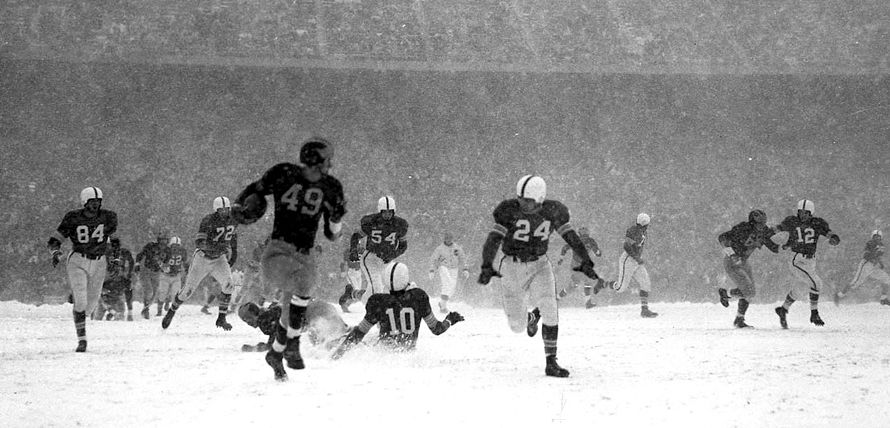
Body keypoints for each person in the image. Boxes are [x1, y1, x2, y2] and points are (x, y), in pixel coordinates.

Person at [231, 136, 347, 381]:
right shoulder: (301, 178)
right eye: (327, 160)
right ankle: (291, 344)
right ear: (316, 160)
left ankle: (277, 354)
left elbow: (332, 233)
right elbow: (256, 189)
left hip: (300, 256)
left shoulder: (309, 180)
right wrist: (239, 206)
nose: (330, 165)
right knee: (295, 301)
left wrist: (337, 217)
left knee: (291, 310)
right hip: (282, 250)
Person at [477, 175, 607, 378]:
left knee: (550, 307)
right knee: (517, 326)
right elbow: (494, 238)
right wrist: (487, 265)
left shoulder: (552, 211)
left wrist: (586, 261)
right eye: (520, 198)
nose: (522, 203)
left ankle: (551, 362)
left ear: (539, 198)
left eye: (527, 200)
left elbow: (571, 237)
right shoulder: (509, 210)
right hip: (511, 266)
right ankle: (529, 318)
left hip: (540, 264)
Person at [332, 262, 464, 359]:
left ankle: (331, 342)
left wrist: (337, 354)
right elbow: (437, 329)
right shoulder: (419, 297)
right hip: (408, 353)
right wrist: (450, 320)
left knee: (361, 337)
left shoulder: (379, 301)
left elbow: (359, 333)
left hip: (383, 353)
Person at [46, 186, 118, 352]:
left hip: (99, 262)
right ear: (84, 202)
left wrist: (116, 258)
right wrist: (55, 252)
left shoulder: (108, 217)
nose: (95, 205)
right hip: (78, 259)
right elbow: (54, 240)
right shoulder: (73, 217)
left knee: (90, 306)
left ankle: (78, 307)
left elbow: (114, 240)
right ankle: (82, 340)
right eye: (92, 202)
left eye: (97, 202)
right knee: (81, 300)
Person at [162, 196, 239, 331]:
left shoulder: (233, 220)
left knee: (229, 286)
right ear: (216, 210)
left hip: (219, 258)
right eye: (222, 210)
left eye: (227, 209)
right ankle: (171, 311)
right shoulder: (208, 221)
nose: (225, 212)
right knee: (187, 291)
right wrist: (215, 247)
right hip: (203, 258)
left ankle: (221, 318)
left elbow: (233, 240)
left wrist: (232, 256)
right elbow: (200, 243)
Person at [774, 199, 841, 328]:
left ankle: (783, 309)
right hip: (797, 259)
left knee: (800, 289)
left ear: (811, 213)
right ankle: (814, 313)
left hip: (811, 261)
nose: (803, 215)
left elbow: (829, 233)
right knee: (816, 283)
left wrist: (834, 238)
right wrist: (770, 233)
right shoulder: (792, 221)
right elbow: (778, 228)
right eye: (801, 212)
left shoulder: (817, 223)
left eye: (806, 212)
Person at [716, 209, 779, 328]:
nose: (762, 227)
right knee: (748, 291)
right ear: (752, 223)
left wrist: (787, 245)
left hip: (744, 261)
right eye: (759, 224)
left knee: (750, 293)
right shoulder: (743, 228)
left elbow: (774, 247)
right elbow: (722, 238)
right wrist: (732, 254)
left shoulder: (764, 231)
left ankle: (738, 317)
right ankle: (727, 296)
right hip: (733, 261)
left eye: (763, 224)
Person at [594, 213, 658, 318]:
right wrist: (637, 257)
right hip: (628, 260)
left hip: (636, 261)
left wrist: (638, 258)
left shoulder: (643, 232)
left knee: (646, 283)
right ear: (644, 223)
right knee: (620, 288)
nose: (648, 226)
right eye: (647, 224)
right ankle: (603, 284)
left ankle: (644, 310)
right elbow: (627, 246)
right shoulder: (633, 230)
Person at [344, 196, 409, 298]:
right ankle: (377, 312)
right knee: (377, 287)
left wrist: (393, 255)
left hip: (386, 260)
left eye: (389, 212)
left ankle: (354, 294)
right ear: (380, 211)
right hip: (371, 258)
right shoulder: (371, 222)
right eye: (385, 212)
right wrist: (353, 250)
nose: (387, 215)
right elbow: (356, 236)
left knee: (385, 287)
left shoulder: (399, 224)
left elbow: (403, 246)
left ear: (393, 211)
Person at [239, 300, 349, 352]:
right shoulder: (269, 313)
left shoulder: (265, 320)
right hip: (319, 307)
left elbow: (274, 344)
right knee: (337, 336)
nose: (247, 322)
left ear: (255, 314)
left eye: (247, 318)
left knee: (327, 344)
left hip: (314, 313)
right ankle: (361, 340)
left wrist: (252, 349)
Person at [835, 230, 888, 306]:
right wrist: (873, 253)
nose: (877, 238)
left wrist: (881, 263)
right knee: (855, 282)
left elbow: (879, 256)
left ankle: (883, 298)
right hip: (866, 264)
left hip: (874, 266)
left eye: (878, 237)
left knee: (886, 278)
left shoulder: (881, 245)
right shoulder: (870, 243)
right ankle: (839, 295)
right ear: (872, 237)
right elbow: (866, 254)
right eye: (875, 236)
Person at [555, 226, 603, 309]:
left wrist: (561, 258)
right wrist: (598, 251)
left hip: (575, 265)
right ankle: (587, 303)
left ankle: (557, 298)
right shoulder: (590, 241)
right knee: (587, 282)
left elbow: (565, 248)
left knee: (574, 285)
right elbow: (598, 253)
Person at [428, 231, 470, 313]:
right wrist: (431, 270)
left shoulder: (457, 248)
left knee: (451, 289)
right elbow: (433, 259)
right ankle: (443, 306)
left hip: (454, 269)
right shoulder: (440, 249)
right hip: (443, 267)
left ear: (452, 239)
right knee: (447, 282)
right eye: (446, 238)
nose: (448, 240)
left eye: (450, 238)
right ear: (444, 239)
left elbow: (463, 258)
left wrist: (465, 269)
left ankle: (442, 304)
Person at [95, 237, 135, 321]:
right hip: (104, 301)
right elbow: (102, 299)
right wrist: (112, 312)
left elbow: (129, 294)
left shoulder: (124, 281)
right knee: (97, 318)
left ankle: (110, 315)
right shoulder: (103, 279)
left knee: (121, 315)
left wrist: (130, 312)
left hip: (116, 299)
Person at [134, 231, 168, 319]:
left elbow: (166, 265)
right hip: (146, 270)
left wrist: (163, 267)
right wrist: (137, 264)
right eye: (162, 241)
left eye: (165, 241)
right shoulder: (150, 246)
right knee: (149, 290)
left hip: (157, 272)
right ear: (158, 241)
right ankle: (146, 311)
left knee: (154, 294)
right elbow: (140, 255)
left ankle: (146, 308)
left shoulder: (168, 251)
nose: (163, 243)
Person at [157, 236, 189, 314]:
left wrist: (187, 270)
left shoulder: (183, 251)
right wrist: (163, 267)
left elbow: (185, 262)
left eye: (177, 246)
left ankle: (170, 307)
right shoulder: (165, 251)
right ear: (171, 245)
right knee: (162, 293)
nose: (175, 248)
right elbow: (159, 260)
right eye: (174, 245)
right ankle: (159, 310)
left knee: (175, 295)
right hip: (165, 275)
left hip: (176, 275)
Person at [337, 240, 364, 312]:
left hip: (359, 272)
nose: (357, 245)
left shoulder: (362, 250)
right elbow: (344, 262)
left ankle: (345, 304)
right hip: (351, 272)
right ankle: (343, 303)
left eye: (358, 244)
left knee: (357, 293)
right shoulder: (348, 251)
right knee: (356, 291)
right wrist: (343, 271)